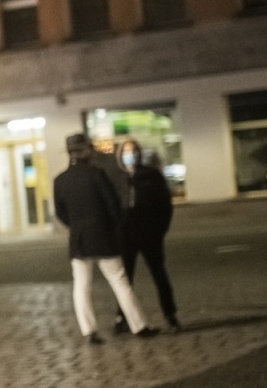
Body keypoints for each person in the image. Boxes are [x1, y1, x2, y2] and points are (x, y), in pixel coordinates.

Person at [53, 134, 156, 344]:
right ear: (86, 151)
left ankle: (89, 330)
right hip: (103, 237)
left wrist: (76, 226)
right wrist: (113, 227)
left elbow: (60, 213)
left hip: (79, 240)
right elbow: (113, 205)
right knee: (119, 281)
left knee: (81, 286)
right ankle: (139, 325)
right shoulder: (96, 174)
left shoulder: (60, 180)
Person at [115, 146, 180, 333]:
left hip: (149, 234)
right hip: (126, 235)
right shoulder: (118, 178)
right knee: (124, 278)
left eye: (132, 151)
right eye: (125, 151)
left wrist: (160, 229)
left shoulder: (151, 175)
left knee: (159, 275)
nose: (129, 155)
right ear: (120, 156)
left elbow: (165, 205)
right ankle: (122, 317)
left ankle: (170, 315)